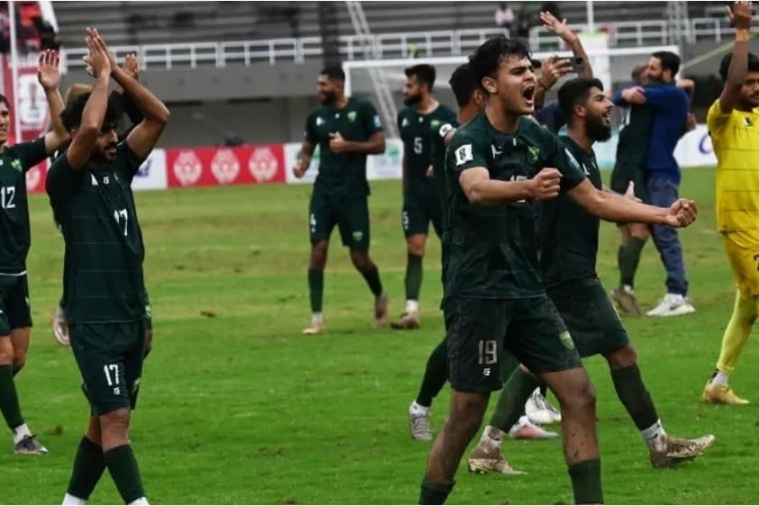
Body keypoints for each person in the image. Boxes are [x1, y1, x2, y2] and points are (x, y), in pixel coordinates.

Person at [418, 35, 697, 505]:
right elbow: (478, 190)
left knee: (579, 393)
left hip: (530, 292)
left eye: (530, 69)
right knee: (466, 414)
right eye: (517, 71)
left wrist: (662, 214)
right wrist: (527, 187)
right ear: (489, 85)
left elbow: (594, 198)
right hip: (478, 293)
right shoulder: (469, 140)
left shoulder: (538, 138)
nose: (530, 77)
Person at [467, 77, 714, 476]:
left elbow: (595, 196)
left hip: (562, 273)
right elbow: (596, 203)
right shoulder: (562, 150)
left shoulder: (581, 154)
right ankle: (659, 446)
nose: (610, 105)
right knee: (618, 353)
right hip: (567, 275)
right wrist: (662, 214)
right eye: (600, 99)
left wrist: (629, 203)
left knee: (540, 361)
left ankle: (488, 446)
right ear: (579, 110)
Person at [47, 28, 169, 505]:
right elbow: (89, 129)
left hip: (130, 316)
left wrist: (115, 72)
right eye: (107, 131)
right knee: (116, 421)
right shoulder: (65, 178)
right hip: (93, 320)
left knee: (102, 422)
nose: (115, 136)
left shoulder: (120, 168)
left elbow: (159, 116)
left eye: (117, 129)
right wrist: (102, 78)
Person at [53, 54, 152, 349]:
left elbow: (141, 119)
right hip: (80, 211)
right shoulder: (69, 151)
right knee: (87, 257)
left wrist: (123, 81)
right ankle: (68, 307)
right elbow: (91, 127)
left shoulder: (110, 151)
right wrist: (113, 78)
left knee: (144, 340)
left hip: (118, 235)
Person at [0, 49, 68, 456]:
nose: (2, 120)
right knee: (2, 354)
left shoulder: (15, 158)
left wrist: (50, 90)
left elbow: (61, 135)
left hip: (16, 273)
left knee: (18, 357)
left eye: (4, 114)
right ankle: (21, 434)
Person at [292, 66, 389, 335]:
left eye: (323, 85)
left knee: (360, 258)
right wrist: (301, 164)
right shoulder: (316, 116)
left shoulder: (362, 109)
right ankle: (317, 319)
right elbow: (307, 149)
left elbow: (380, 145)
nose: (318, 89)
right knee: (318, 249)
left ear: (338, 85)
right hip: (324, 193)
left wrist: (349, 146)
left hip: (353, 195)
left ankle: (380, 294)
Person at [703, 0, 759, 406]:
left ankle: (718, 383)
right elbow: (735, 80)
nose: (754, 87)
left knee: (749, 307)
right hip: (740, 225)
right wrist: (742, 31)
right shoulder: (721, 119)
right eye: (749, 82)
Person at [612, 51, 694, 316]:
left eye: (654, 68)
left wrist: (625, 93)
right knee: (645, 231)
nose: (649, 72)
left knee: (663, 231)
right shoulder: (667, 97)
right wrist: (623, 94)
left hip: (661, 174)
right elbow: (624, 96)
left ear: (667, 73)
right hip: (648, 173)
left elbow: (631, 95)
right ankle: (630, 288)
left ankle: (677, 295)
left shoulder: (671, 95)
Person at [392, 64, 456, 330]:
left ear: (425, 87)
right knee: (415, 248)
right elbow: (407, 155)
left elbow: (457, 153)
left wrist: (440, 164)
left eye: (410, 86)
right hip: (415, 196)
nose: (405, 90)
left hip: (441, 195)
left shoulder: (447, 117)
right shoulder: (404, 117)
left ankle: (456, 302)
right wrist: (405, 191)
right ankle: (411, 310)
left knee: (452, 249)